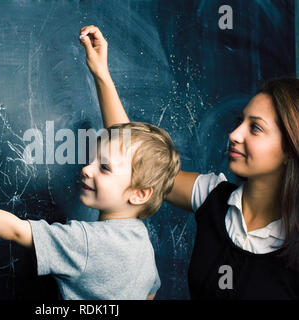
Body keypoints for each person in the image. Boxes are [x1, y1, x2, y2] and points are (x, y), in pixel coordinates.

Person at [79, 25, 299, 299]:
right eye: (239, 122)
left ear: (291, 148)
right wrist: (101, 74)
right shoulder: (213, 197)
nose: (234, 134)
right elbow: (137, 158)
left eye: (255, 128)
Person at [0, 121, 180, 300]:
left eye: (104, 167)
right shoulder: (141, 239)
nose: (86, 168)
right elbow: (150, 291)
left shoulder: (85, 242)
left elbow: (15, 229)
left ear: (140, 194)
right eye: (92, 160)